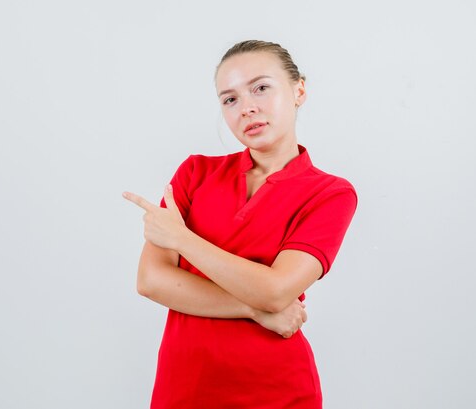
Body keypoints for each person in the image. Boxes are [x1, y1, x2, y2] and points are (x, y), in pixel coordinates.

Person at [122, 40, 357, 409]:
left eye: (261, 88)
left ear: (299, 90)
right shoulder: (194, 173)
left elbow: (277, 291)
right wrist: (254, 308)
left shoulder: (331, 193)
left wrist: (180, 239)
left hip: (276, 392)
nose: (246, 108)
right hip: (183, 388)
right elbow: (151, 281)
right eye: (229, 99)